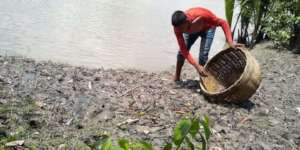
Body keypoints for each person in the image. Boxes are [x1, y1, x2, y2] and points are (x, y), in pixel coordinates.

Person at [172, 7, 242, 81]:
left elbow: (223, 22)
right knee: (181, 53)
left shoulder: (202, 15)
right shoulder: (177, 28)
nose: (179, 31)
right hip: (191, 31)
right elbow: (184, 50)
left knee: (203, 56)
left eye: (181, 28)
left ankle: (203, 79)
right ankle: (177, 76)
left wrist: (230, 42)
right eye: (178, 29)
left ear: (187, 21)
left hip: (208, 29)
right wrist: (196, 66)